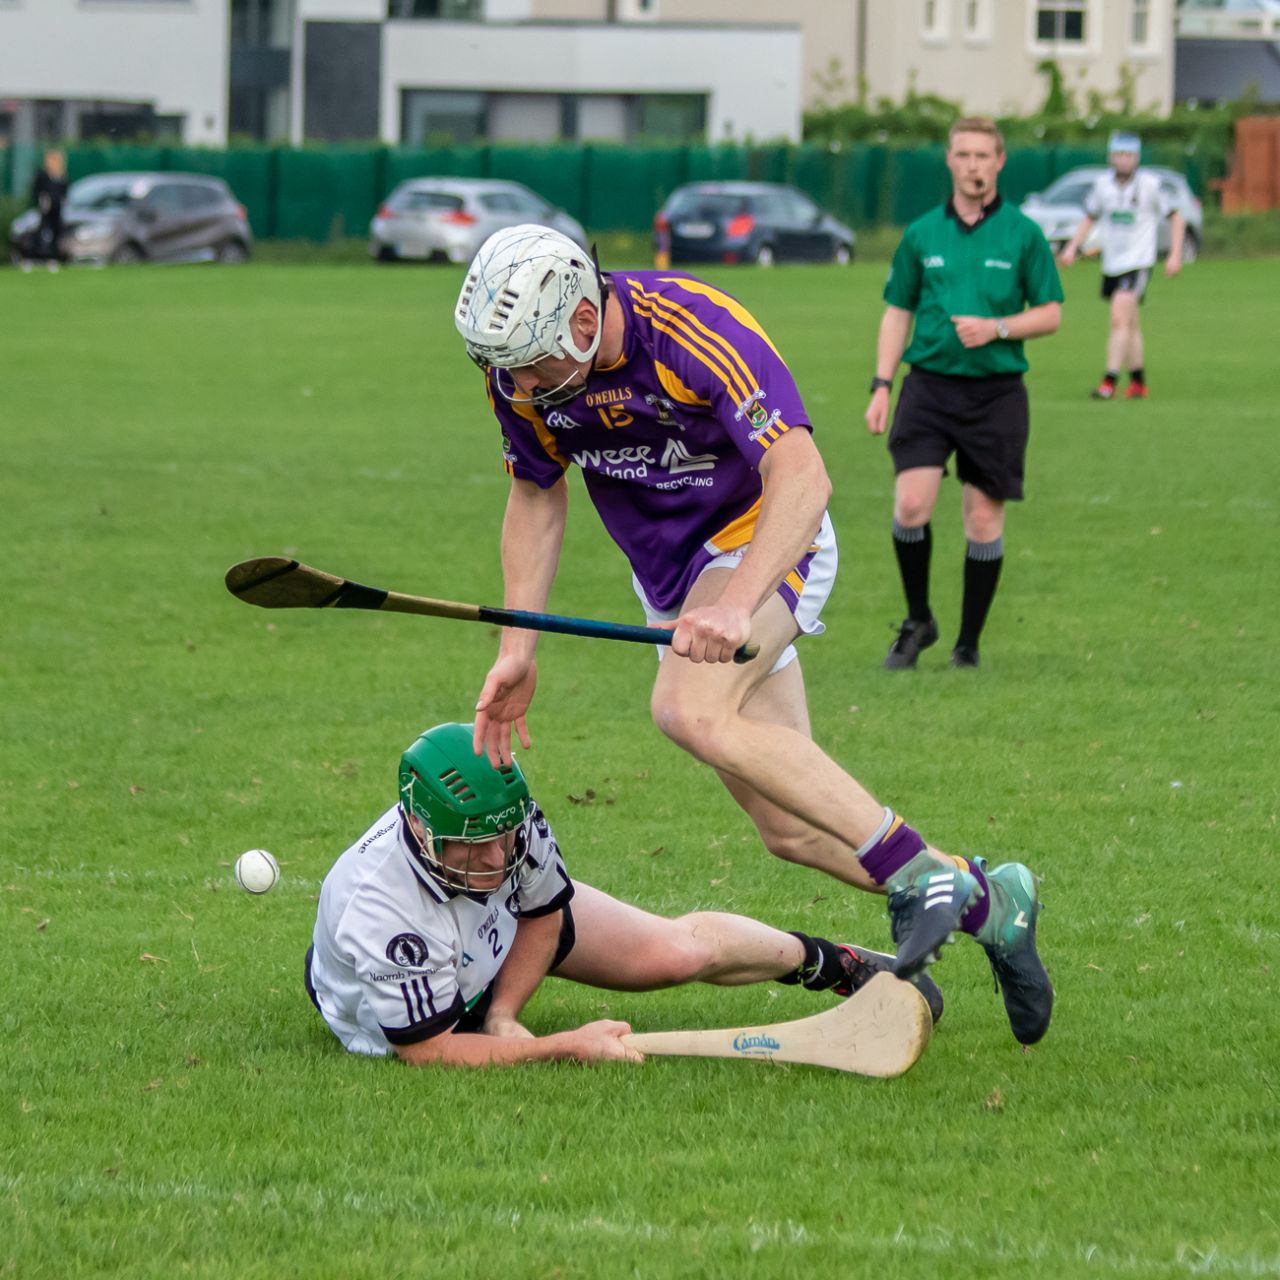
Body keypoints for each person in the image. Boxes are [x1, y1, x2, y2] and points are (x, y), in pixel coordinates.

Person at [452, 223, 1054, 1046]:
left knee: (688, 712)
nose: (518, 384)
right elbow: (536, 494)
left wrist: (740, 600)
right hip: (673, 581)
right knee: (793, 828)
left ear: (582, 321)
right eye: (504, 368)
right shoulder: (520, 379)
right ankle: (991, 900)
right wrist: (516, 649)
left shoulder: (691, 328)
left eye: (530, 362)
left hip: (764, 539)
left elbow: (801, 473)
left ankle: (915, 873)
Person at [305, 723, 944, 1065]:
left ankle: (836, 964)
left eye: (503, 838)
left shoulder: (505, 817)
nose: (497, 858)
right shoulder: (381, 913)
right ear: (420, 826)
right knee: (461, 1027)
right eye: (474, 847)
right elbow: (428, 1052)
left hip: (490, 939)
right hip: (405, 1004)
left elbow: (543, 911)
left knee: (676, 953)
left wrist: (507, 1015)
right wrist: (564, 1046)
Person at [864, 116, 1063, 672]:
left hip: (997, 394)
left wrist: (997, 328)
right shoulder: (922, 233)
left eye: (983, 156)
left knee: (982, 521)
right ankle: (918, 620)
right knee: (910, 503)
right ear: (949, 161)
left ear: (1000, 162)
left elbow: (1051, 314)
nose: (973, 165)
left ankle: (968, 643)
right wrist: (882, 384)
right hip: (927, 386)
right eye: (964, 155)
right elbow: (897, 311)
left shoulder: (1023, 233)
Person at [1058, 131, 1185, 401]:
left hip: (1138, 263)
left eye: (1129, 155)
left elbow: (1177, 217)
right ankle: (1138, 381)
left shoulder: (1151, 184)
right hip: (1112, 263)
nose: (1124, 160)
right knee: (1130, 324)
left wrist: (1175, 254)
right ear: (1111, 157)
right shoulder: (1102, 185)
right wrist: (1072, 247)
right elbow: (1089, 218)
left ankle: (1109, 380)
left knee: (1118, 318)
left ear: (1136, 158)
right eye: (1119, 155)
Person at [29, 148, 68, 270]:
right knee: (41, 232)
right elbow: (36, 190)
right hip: (45, 209)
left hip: (57, 208)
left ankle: (53, 258)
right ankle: (33, 256)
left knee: (57, 233)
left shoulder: (61, 175)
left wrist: (62, 199)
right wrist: (42, 200)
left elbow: (65, 189)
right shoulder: (42, 174)